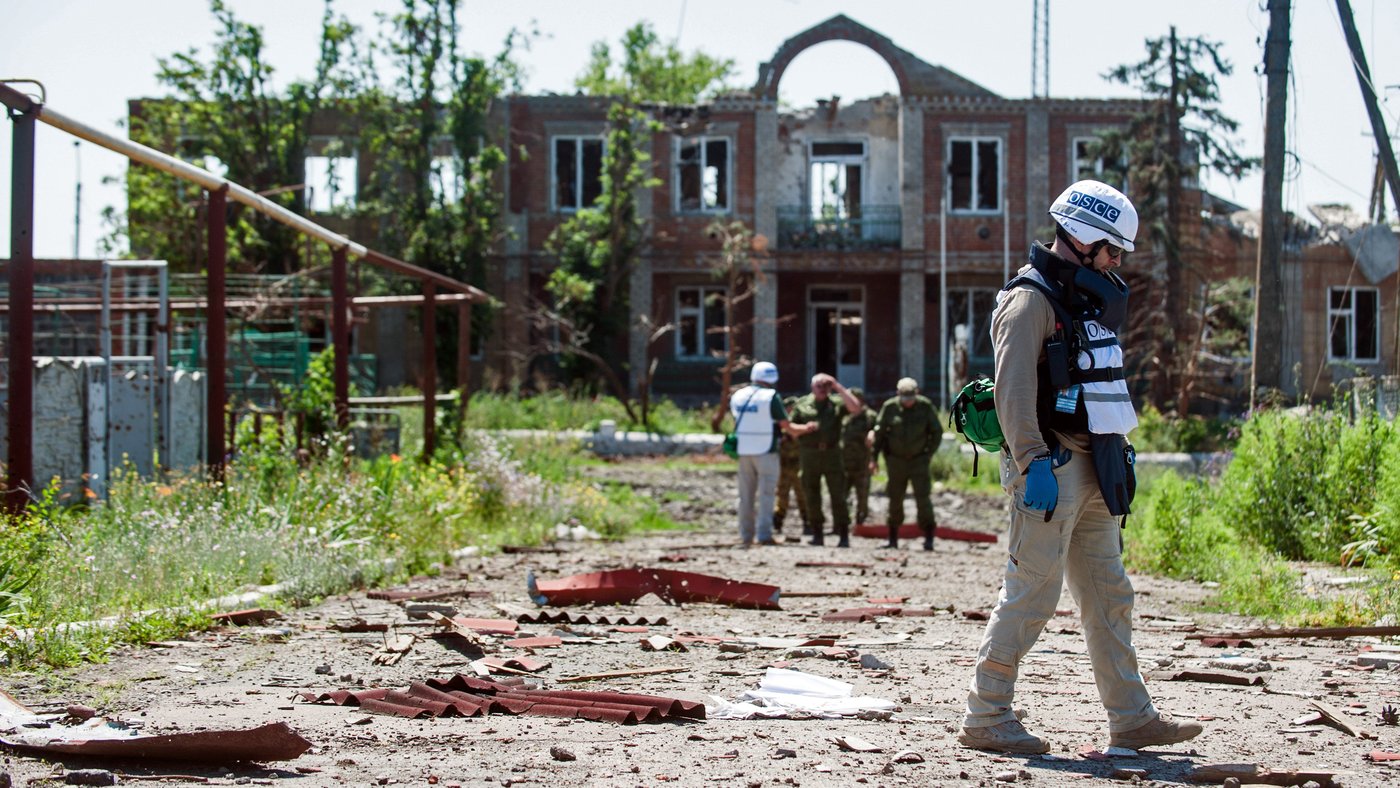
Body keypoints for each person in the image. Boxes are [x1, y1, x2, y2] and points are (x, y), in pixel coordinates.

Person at [959, 180, 1203, 754]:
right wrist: (1032, 461)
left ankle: (1132, 717)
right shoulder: (1029, 300)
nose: (1116, 262)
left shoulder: (1083, 299)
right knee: (1031, 592)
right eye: (1113, 250)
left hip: (1094, 466)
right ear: (1085, 237)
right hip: (1050, 463)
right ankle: (985, 715)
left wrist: (1117, 450)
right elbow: (1014, 394)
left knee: (1109, 593)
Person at [729, 361, 798, 547]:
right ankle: (764, 534)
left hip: (744, 450)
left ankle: (745, 535)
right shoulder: (770, 397)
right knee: (766, 494)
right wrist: (805, 429)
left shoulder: (738, 395)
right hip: (766, 450)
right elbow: (786, 426)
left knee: (745, 496)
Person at [788, 372, 861, 547]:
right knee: (811, 494)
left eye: (825, 386)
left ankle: (843, 533)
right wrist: (805, 428)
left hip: (832, 454)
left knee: (838, 494)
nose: (822, 389)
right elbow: (790, 429)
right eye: (819, 386)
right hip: (809, 454)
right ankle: (817, 533)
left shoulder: (835, 403)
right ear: (812, 387)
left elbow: (856, 408)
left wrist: (838, 386)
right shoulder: (802, 405)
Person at [870, 377, 941, 550]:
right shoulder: (890, 408)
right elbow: (879, 435)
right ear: (898, 394)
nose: (907, 400)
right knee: (895, 498)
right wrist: (874, 458)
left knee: (923, 498)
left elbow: (936, 431)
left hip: (918, 461)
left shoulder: (925, 407)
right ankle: (892, 538)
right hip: (896, 461)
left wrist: (928, 453)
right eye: (904, 396)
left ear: (917, 393)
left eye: (910, 396)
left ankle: (929, 538)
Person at [773, 395, 809, 539]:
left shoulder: (800, 425)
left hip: (799, 464)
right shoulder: (780, 425)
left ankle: (807, 522)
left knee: (803, 495)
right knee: (782, 495)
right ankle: (778, 521)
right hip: (783, 465)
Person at [840, 387, 877, 526]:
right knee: (841, 495)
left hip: (862, 463)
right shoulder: (844, 416)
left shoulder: (869, 416)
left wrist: (873, 433)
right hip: (844, 463)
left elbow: (878, 432)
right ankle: (843, 522)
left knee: (862, 496)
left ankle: (861, 522)